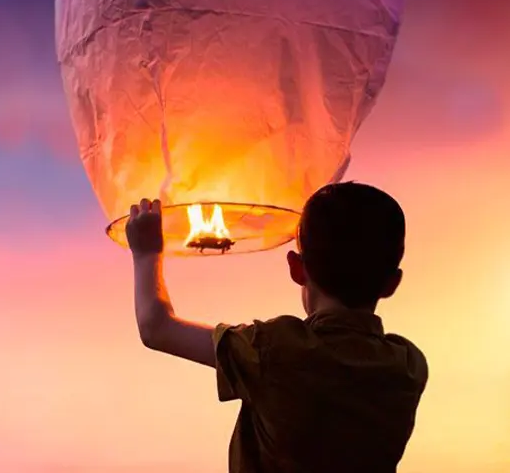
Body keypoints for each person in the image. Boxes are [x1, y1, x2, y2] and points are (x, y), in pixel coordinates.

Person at [126, 182, 428, 473]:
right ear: (392, 282)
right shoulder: (408, 365)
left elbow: (156, 328)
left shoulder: (273, 349)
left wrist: (146, 253)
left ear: (297, 267)